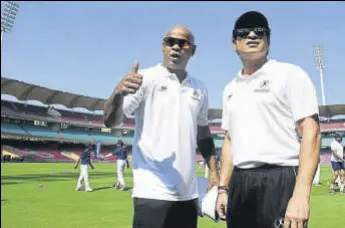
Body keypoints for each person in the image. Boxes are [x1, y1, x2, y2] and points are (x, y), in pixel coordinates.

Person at [103, 25, 219, 228]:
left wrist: (214, 172)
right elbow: (111, 121)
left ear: (192, 50)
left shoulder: (199, 88)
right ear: (163, 47)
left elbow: (203, 133)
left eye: (183, 43)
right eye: (170, 42)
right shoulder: (145, 78)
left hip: (188, 196)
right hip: (151, 192)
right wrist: (117, 93)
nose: (176, 47)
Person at [216, 11, 321, 228]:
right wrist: (223, 188)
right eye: (244, 32)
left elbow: (311, 132)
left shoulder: (289, 74)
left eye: (259, 31)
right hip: (241, 181)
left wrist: (301, 195)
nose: (252, 35)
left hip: (280, 178)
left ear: (269, 40)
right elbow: (229, 140)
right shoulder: (230, 89)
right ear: (234, 43)